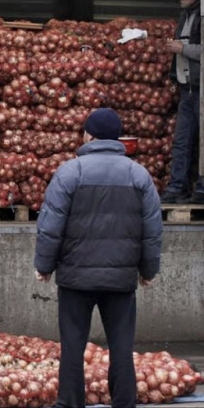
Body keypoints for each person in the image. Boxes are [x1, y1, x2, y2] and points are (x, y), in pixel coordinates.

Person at [34, 108, 162, 408]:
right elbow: (152, 230)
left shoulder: (70, 172)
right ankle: (124, 401)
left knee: (73, 346)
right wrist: (148, 269)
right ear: (117, 138)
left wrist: (44, 265)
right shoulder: (138, 174)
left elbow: (51, 226)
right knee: (121, 346)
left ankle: (70, 402)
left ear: (88, 135)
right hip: (120, 278)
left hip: (76, 277)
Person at [161, 0, 202, 204]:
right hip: (187, 89)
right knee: (182, 140)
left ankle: (201, 190)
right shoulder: (185, 15)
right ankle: (178, 187)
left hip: (201, 91)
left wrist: (182, 49)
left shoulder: (203, 16)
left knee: (202, 142)